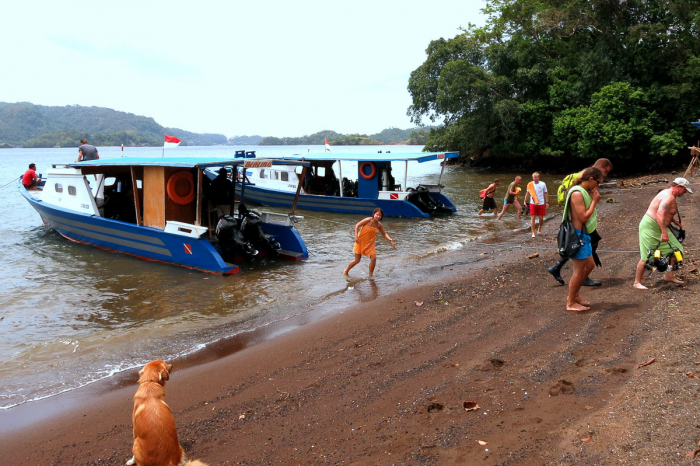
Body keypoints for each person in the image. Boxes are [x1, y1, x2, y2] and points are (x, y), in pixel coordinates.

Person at [548, 158, 614, 286]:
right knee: (580, 245)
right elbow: (583, 207)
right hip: (580, 225)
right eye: (605, 171)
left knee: (586, 244)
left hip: (583, 225)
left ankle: (558, 268)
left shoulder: (590, 177)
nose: (605, 175)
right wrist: (594, 201)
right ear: (600, 167)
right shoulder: (585, 177)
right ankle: (579, 278)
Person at [633, 177, 692, 289]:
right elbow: (660, 214)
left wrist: (675, 221)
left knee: (676, 250)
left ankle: (669, 275)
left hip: (660, 226)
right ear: (679, 187)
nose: (685, 193)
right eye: (685, 190)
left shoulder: (670, 194)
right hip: (650, 226)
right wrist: (664, 233)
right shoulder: (668, 197)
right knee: (647, 255)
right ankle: (637, 282)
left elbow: (666, 212)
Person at [564, 167, 603, 311]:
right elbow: (584, 217)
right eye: (597, 182)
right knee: (579, 271)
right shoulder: (576, 193)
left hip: (584, 235)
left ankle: (575, 296)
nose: (597, 186)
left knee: (590, 265)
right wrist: (594, 201)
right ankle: (570, 303)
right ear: (591, 179)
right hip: (577, 236)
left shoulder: (583, 192)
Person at [343, 208, 396, 277]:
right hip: (360, 242)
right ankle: (346, 270)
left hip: (370, 244)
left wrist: (390, 240)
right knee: (357, 260)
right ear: (374, 214)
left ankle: (370, 275)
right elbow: (357, 225)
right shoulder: (368, 220)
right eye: (377, 215)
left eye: (380, 216)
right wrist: (356, 236)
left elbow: (384, 234)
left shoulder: (379, 225)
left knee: (374, 258)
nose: (378, 217)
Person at [523, 172, 548, 237]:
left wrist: (547, 202)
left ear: (538, 177)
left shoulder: (543, 184)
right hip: (532, 203)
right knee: (533, 218)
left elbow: (545, 193)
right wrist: (525, 201)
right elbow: (528, 193)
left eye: (536, 177)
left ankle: (539, 227)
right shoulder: (530, 184)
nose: (534, 178)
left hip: (541, 203)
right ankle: (533, 232)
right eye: (533, 177)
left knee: (541, 218)